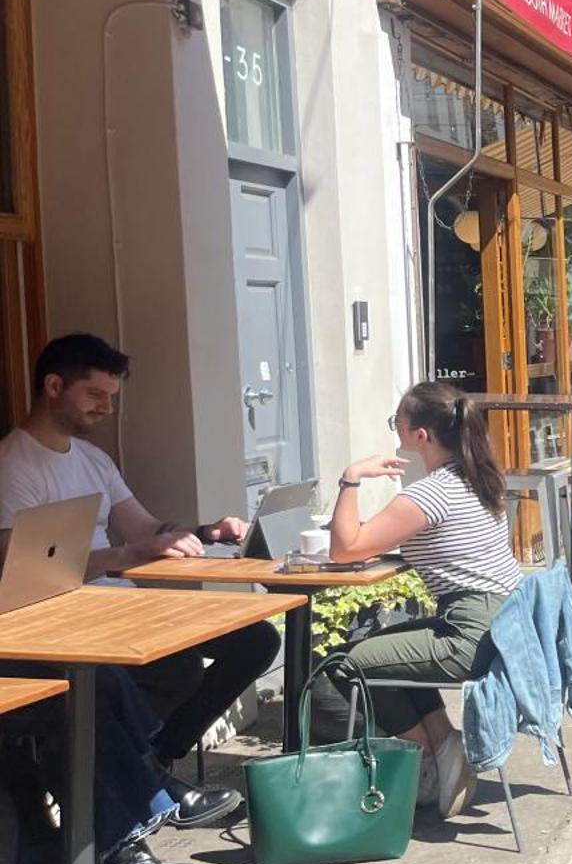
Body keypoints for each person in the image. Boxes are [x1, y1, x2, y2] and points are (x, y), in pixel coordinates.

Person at [0, 333, 278, 793]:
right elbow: (22, 573)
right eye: (95, 395)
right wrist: (125, 557)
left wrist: (205, 533)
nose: (106, 409)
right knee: (178, 667)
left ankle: (158, 759)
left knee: (257, 640)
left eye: (111, 397)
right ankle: (147, 778)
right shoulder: (14, 465)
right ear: (53, 386)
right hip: (63, 617)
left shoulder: (92, 458)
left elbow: (144, 530)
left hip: (121, 607)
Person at [325, 382, 524, 818]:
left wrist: (351, 478)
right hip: (508, 623)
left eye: (397, 421)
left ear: (420, 436)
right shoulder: (480, 478)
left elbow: (343, 549)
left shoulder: (429, 493)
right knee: (387, 646)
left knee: (343, 662)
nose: (394, 428)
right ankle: (444, 744)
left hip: (471, 633)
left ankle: (424, 757)